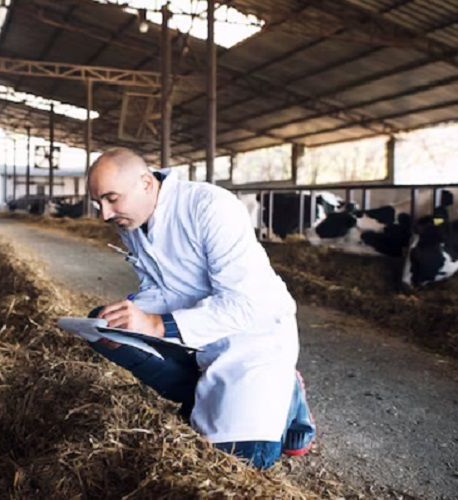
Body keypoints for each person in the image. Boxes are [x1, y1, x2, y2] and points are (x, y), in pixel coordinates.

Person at [85, 147, 315, 469]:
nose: (105, 214)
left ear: (146, 183)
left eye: (111, 199)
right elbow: (160, 287)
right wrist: (131, 311)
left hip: (253, 336)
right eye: (98, 203)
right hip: (197, 331)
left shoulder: (210, 207)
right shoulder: (132, 222)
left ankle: (284, 390)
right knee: (104, 329)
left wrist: (153, 325)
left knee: (240, 463)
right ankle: (200, 395)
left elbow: (243, 305)